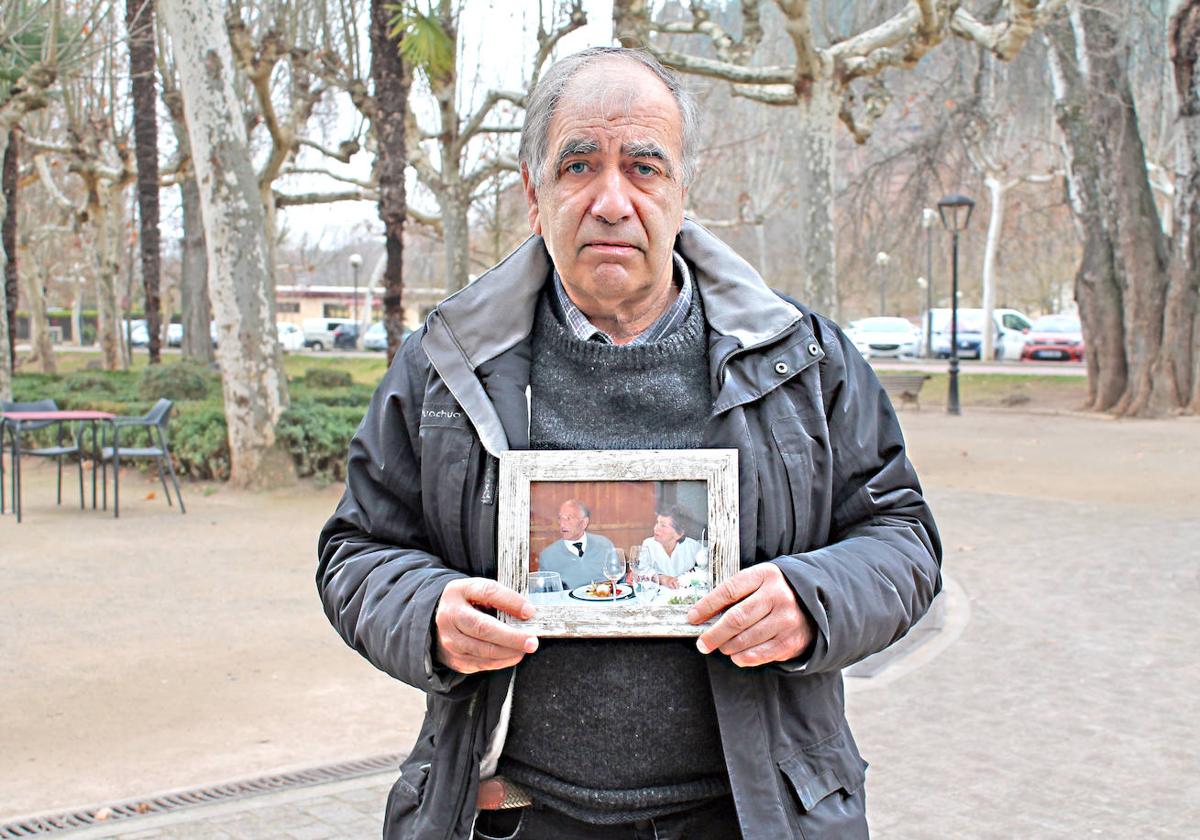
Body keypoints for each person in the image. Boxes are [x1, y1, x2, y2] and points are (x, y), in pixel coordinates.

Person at [317, 46, 941, 840]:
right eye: (579, 164)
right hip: (518, 817)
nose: (612, 200)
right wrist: (428, 612)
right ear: (533, 195)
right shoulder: (445, 367)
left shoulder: (802, 359)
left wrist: (811, 602)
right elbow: (357, 550)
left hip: (752, 817)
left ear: (683, 193)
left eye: (643, 168)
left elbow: (904, 538)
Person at [535, 499, 615, 588]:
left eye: (568, 518)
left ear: (584, 522)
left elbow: (619, 579)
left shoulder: (605, 545)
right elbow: (542, 592)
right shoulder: (548, 556)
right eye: (560, 518)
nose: (562, 524)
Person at [639, 509, 703, 588]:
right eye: (657, 523)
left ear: (678, 534)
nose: (655, 528)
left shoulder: (693, 547)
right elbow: (642, 570)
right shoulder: (648, 544)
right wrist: (663, 579)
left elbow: (704, 570)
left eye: (663, 525)